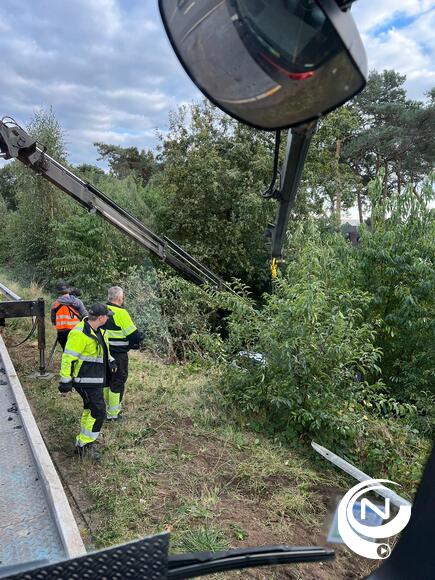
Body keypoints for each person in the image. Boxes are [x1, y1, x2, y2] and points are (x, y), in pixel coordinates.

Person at [58, 303, 118, 458]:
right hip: (84, 380)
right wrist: (65, 382)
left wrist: (111, 360)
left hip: (96, 379)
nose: (108, 319)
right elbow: (68, 358)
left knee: (91, 409)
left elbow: (103, 352)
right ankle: (85, 445)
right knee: (98, 411)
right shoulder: (79, 333)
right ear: (101, 318)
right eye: (107, 316)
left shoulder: (99, 331)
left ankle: (84, 440)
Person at [104, 286, 142, 421]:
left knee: (107, 381)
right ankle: (113, 414)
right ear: (120, 298)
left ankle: (106, 408)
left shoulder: (102, 310)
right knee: (118, 381)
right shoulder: (121, 313)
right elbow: (134, 335)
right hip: (118, 354)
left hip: (103, 353)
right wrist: (140, 338)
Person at [50, 282, 88, 350]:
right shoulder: (77, 302)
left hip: (62, 333)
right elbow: (85, 316)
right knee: (77, 351)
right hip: (76, 331)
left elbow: (53, 320)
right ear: (69, 290)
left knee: (67, 352)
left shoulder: (54, 305)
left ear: (58, 292)